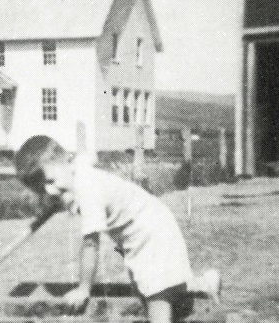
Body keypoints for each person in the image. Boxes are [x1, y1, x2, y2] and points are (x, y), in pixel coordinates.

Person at [15, 135, 221, 323]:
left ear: (68, 162)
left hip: (151, 233)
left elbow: (90, 244)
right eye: (42, 188)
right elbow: (81, 170)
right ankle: (206, 284)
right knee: (152, 286)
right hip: (146, 229)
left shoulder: (88, 189)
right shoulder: (77, 172)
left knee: (157, 292)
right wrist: (62, 197)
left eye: (51, 181)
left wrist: (83, 289)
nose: (50, 191)